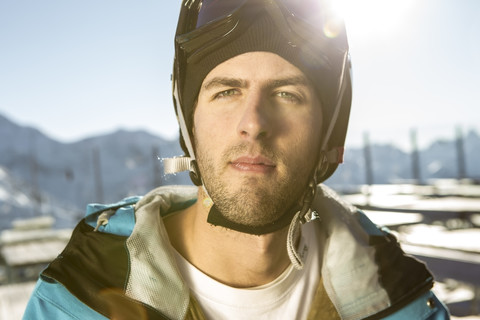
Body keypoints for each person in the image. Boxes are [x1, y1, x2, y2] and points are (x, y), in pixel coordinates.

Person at [24, 0, 450, 319]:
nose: (253, 123)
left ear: (328, 131)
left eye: (287, 94)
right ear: (188, 124)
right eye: (226, 91)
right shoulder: (77, 300)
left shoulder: (399, 297)